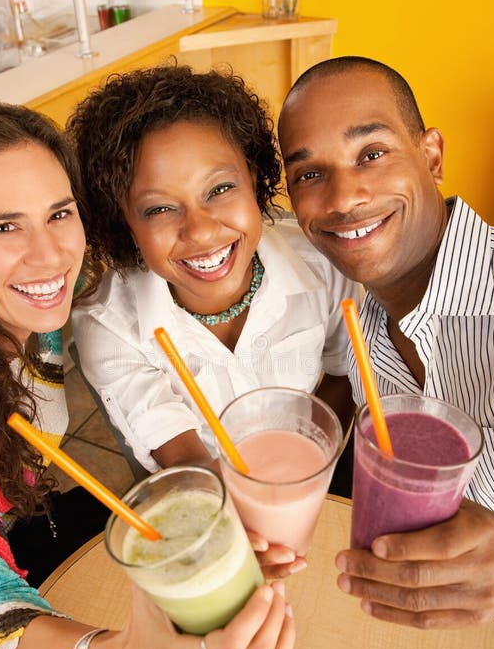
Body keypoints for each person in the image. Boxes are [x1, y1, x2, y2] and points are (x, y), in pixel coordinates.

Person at [0, 100, 294, 649]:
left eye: (59, 213)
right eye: (4, 227)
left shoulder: (41, 308)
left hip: (18, 522)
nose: (50, 255)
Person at [67, 64, 360, 574]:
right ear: (124, 222)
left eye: (220, 189)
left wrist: (309, 471)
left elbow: (342, 373)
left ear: (255, 178)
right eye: (159, 209)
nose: (201, 232)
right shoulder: (109, 326)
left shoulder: (324, 264)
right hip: (208, 500)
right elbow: (185, 457)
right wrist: (246, 523)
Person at [278, 55, 494, 630]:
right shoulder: (359, 325)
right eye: (309, 174)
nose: (343, 198)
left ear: (431, 156)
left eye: (372, 154)